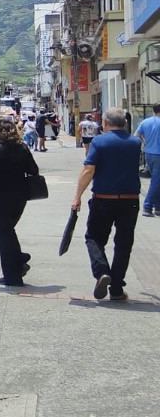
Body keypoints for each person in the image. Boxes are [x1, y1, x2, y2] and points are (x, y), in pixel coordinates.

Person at [72, 108, 141, 301]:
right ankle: (117, 289)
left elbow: (88, 170)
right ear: (124, 123)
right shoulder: (135, 143)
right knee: (124, 244)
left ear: (105, 122)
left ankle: (102, 271)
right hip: (130, 200)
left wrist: (77, 196)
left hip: (103, 199)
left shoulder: (99, 141)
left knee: (93, 238)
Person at [0, 117, 39, 287]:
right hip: (19, 196)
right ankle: (18, 259)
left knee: (4, 236)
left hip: (0, 197)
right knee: (8, 232)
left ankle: (13, 276)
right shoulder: (22, 147)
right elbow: (33, 170)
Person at [132, 102, 160, 217]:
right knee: (156, 180)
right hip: (158, 154)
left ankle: (158, 206)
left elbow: (136, 135)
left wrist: (145, 142)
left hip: (149, 153)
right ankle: (147, 206)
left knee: (156, 179)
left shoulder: (145, 122)